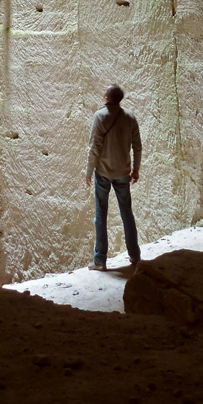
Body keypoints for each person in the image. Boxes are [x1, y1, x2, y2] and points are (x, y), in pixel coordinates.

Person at [85, 84, 142, 271]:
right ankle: (135, 256)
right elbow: (137, 146)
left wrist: (88, 172)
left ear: (107, 98)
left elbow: (94, 148)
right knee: (127, 213)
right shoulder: (130, 116)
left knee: (101, 214)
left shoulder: (99, 116)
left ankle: (100, 260)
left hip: (103, 172)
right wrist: (136, 169)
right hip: (123, 173)